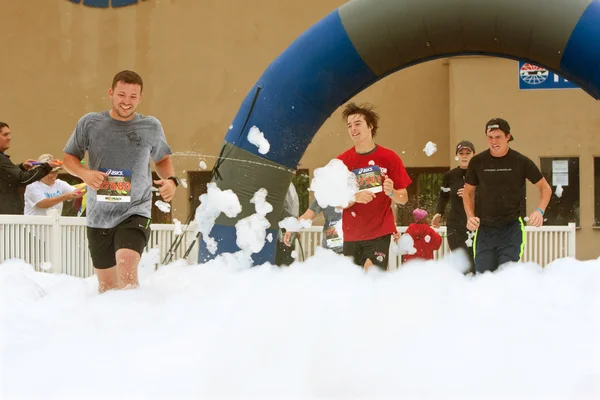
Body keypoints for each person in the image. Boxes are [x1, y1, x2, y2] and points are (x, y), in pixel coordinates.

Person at [62, 70, 178, 293]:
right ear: (111, 93)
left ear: (140, 98)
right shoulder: (90, 123)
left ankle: (134, 319)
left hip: (135, 210)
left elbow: (162, 158)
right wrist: (85, 174)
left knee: (126, 265)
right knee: (107, 286)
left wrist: (171, 181)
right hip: (99, 216)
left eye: (133, 97)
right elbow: (69, 159)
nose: (127, 102)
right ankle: (111, 325)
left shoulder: (150, 126)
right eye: (121, 95)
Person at [463, 118, 552, 273]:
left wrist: (540, 210)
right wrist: (470, 216)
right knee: (484, 278)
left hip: (511, 229)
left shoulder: (520, 161)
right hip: (485, 230)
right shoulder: (477, 162)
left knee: (506, 276)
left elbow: (545, 188)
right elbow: (468, 192)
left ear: (508, 137)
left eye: (498, 137)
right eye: (490, 137)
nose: (493, 142)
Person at [337, 102, 412, 271]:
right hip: (352, 233)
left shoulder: (389, 158)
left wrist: (391, 192)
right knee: (355, 284)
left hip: (379, 232)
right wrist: (354, 198)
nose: (353, 129)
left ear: (370, 126)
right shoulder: (342, 162)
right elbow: (336, 202)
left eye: (358, 124)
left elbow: (403, 198)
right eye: (349, 126)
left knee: (372, 275)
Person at [432, 140, 476, 272]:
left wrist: (472, 193)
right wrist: (439, 213)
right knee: (461, 261)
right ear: (457, 155)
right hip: (455, 224)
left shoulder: (479, 174)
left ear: (474, 155)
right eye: (461, 153)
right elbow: (443, 196)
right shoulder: (449, 176)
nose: (464, 156)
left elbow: (490, 195)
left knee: (475, 261)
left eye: (468, 153)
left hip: (477, 224)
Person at [0, 122, 61, 214]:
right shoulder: (1, 159)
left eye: (9, 134)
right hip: (5, 220)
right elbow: (23, 179)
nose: (9, 137)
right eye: (5, 134)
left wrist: (21, 167)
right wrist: (47, 166)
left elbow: (6, 176)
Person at [275, 182, 299, 266]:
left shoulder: (286, 185)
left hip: (284, 230)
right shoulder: (287, 184)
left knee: (284, 262)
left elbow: (292, 210)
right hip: (285, 229)